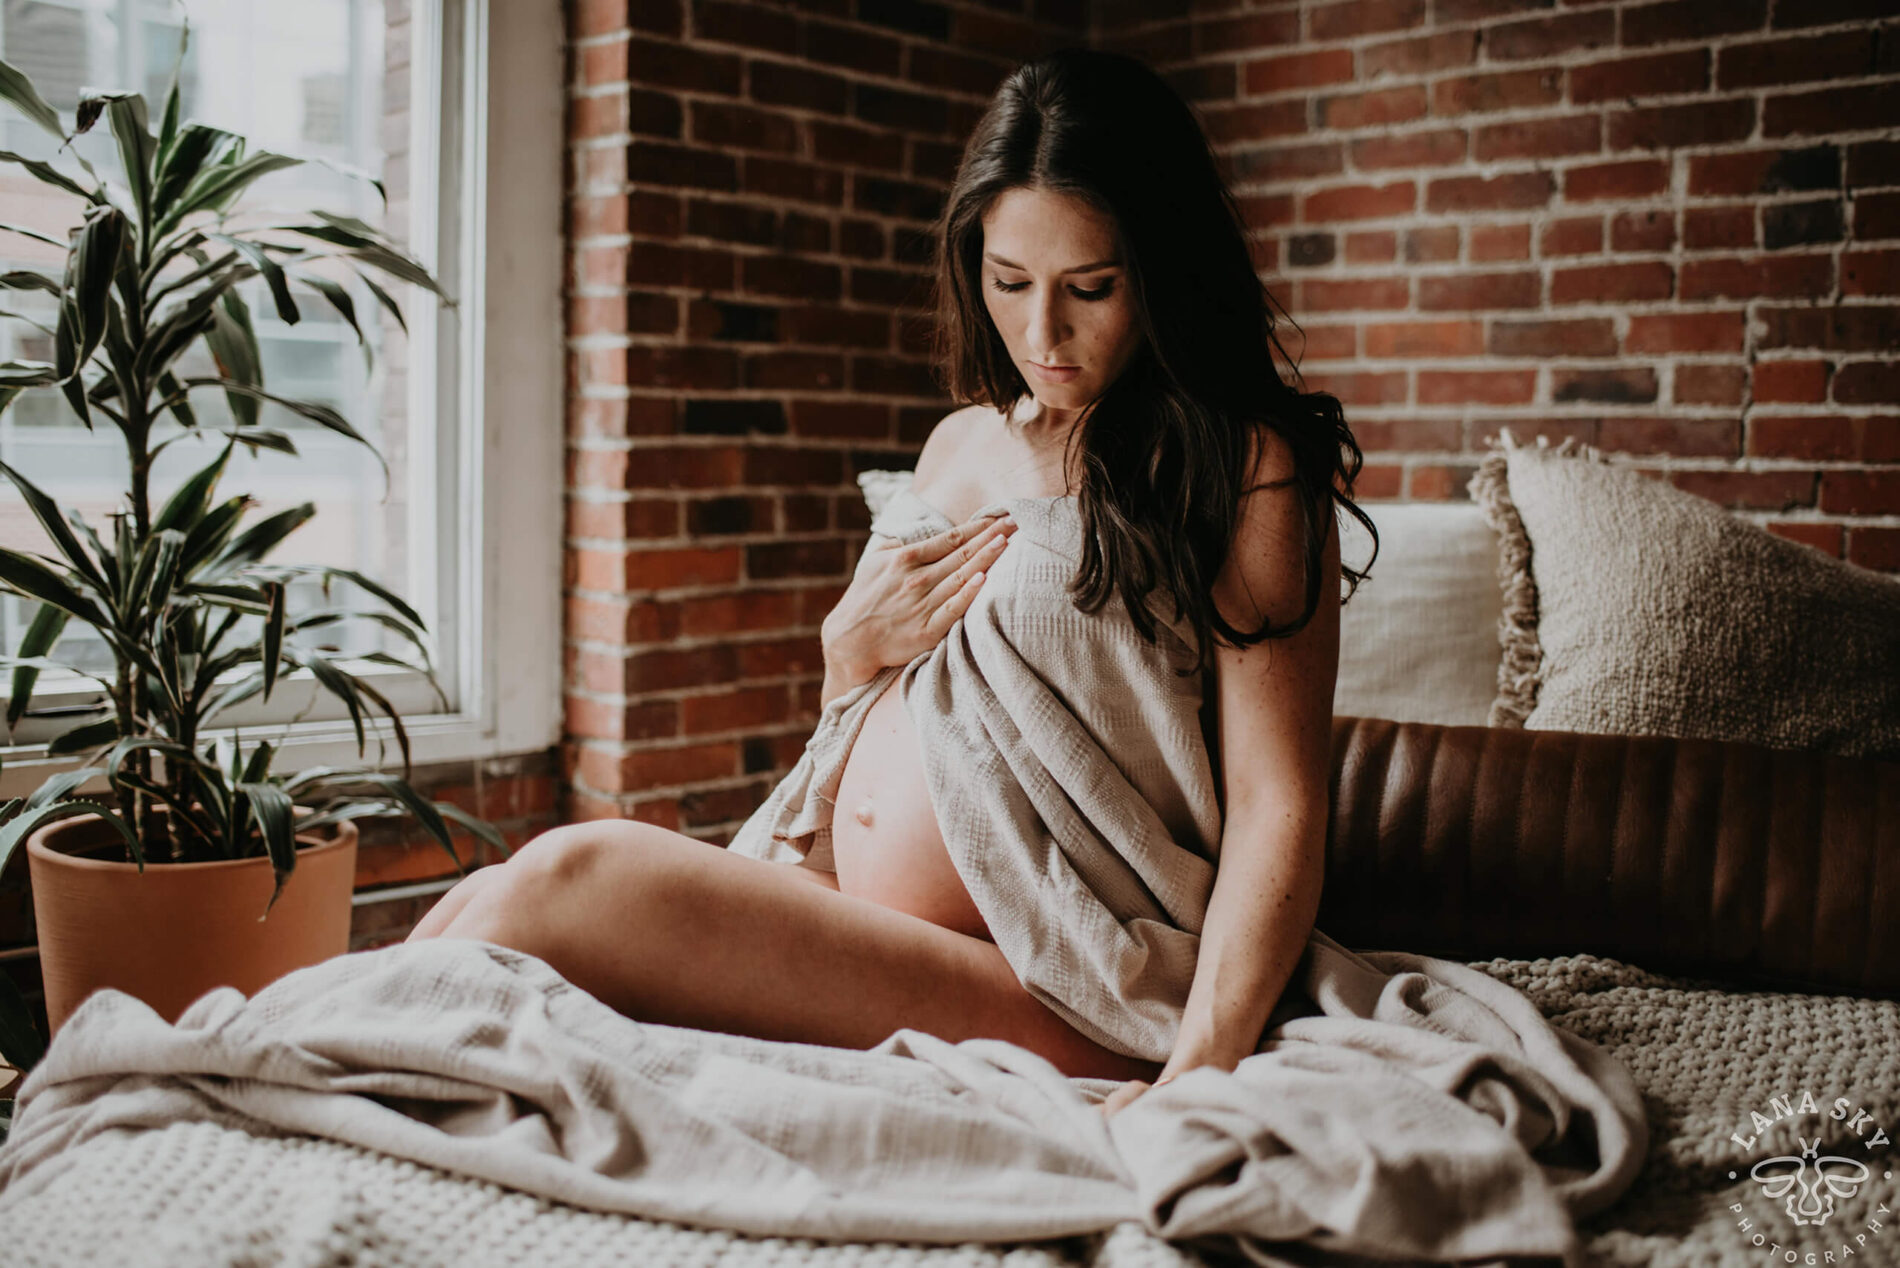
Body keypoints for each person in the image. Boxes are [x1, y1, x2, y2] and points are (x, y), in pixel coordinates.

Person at [407, 47, 1378, 1118]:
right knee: (484, 900)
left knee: (566, 880)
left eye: (1089, 288)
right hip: (848, 908)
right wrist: (845, 654)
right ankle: (279, 1073)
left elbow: (1281, 804)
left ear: (1163, 268)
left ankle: (290, 1067)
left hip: (1057, 970)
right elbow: (894, 724)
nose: (1040, 333)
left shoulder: (1242, 468)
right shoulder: (957, 444)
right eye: (1008, 283)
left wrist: (1197, 1068)